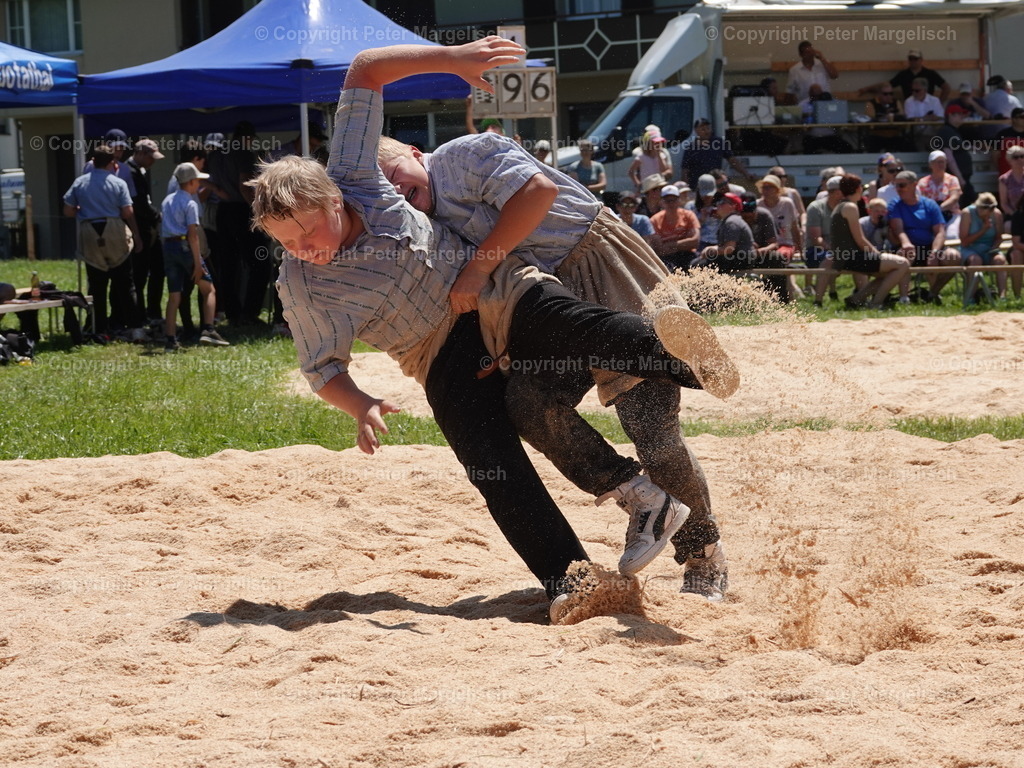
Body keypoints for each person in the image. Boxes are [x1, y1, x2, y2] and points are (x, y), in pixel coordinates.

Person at [261, 38, 733, 619]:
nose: (302, 251)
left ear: (339, 196)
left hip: (540, 280)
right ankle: (580, 569)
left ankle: (688, 385)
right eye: (286, 243)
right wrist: (360, 403)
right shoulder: (308, 276)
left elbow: (368, 72)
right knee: (513, 427)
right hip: (453, 336)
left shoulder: (421, 165)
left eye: (307, 233)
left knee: (642, 416)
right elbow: (322, 366)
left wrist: (452, 61)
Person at [62, 144, 144, 339]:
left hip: (90, 230)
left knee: (96, 284)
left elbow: (68, 210)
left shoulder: (80, 182)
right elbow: (127, 212)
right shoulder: (117, 183)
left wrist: (82, 209)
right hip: (114, 230)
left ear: (93, 161)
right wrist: (135, 235)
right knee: (125, 282)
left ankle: (98, 327)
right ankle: (135, 328)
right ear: (112, 163)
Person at [160, 163, 229, 351]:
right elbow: (193, 234)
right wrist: (198, 263)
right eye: (197, 180)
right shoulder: (190, 203)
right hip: (185, 247)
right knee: (209, 289)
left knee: (174, 296)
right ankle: (208, 329)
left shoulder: (167, 201)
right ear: (191, 182)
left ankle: (170, 339)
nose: (199, 183)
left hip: (168, 247)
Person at [828, 174, 911, 308]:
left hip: (844, 256)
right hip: (850, 257)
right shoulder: (850, 207)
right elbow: (860, 239)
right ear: (858, 189)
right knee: (902, 264)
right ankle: (876, 302)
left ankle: (857, 299)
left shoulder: (842, 206)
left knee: (891, 270)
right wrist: (876, 254)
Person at [888, 170, 960, 302]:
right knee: (905, 253)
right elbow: (898, 229)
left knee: (953, 256)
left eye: (902, 185)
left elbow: (940, 231)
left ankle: (933, 293)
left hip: (928, 246)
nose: (898, 189)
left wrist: (935, 252)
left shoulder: (930, 205)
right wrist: (906, 243)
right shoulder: (895, 204)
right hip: (908, 246)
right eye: (896, 185)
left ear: (914, 185)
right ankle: (904, 298)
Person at [125, 137, 166, 330]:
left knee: (158, 270)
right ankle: (140, 315)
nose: (153, 161)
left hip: (148, 227)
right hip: (140, 228)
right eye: (151, 157)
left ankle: (153, 312)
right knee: (140, 274)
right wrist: (157, 216)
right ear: (140, 154)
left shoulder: (139, 171)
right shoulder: (129, 172)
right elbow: (138, 204)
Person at [690, 193, 757, 274]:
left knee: (698, 265)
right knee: (697, 262)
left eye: (723, 202)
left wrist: (710, 250)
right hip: (737, 258)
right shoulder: (729, 220)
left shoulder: (731, 222)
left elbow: (729, 249)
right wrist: (712, 249)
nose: (718, 204)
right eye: (719, 202)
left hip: (742, 260)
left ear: (733, 206)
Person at [740, 192, 788, 301]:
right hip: (741, 255)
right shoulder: (736, 218)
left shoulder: (764, 216)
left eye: (750, 212)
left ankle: (781, 298)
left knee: (777, 258)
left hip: (761, 255)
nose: (747, 216)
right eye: (744, 213)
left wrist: (760, 251)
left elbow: (774, 244)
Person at [958, 192, 1007, 300]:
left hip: (989, 249)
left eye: (990, 212)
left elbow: (999, 237)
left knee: (1000, 260)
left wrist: (995, 246)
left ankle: (1003, 297)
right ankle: (970, 297)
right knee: (976, 261)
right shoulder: (967, 213)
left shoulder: (997, 214)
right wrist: (983, 230)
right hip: (970, 249)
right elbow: (964, 241)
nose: (987, 215)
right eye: (984, 212)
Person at [680, 118, 754, 186]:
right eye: (703, 129)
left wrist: (746, 173)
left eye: (708, 128)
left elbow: (732, 160)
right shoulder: (690, 148)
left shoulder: (718, 143)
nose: (706, 131)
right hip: (698, 186)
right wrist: (686, 188)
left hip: (717, 185)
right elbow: (685, 171)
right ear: (696, 131)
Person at [860, 50, 949, 103]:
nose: (913, 61)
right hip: (910, 104)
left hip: (927, 105)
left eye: (915, 59)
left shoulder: (930, 73)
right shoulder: (903, 74)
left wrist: (939, 103)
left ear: (921, 60)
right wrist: (867, 89)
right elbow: (887, 85)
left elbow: (946, 88)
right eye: (911, 59)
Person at [809, 175, 845, 305]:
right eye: (845, 190)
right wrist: (835, 249)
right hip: (815, 250)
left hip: (839, 250)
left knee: (861, 257)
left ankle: (860, 299)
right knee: (830, 259)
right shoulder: (816, 208)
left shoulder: (846, 207)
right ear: (836, 192)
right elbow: (816, 239)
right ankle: (818, 301)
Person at [650, 184, 700, 271]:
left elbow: (695, 241)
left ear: (679, 200)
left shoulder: (689, 215)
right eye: (667, 200)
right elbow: (659, 249)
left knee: (701, 265)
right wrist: (685, 243)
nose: (671, 203)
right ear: (661, 202)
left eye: (674, 200)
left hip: (688, 254)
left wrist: (671, 245)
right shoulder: (655, 220)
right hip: (667, 258)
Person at [918, 149, 962, 239]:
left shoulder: (952, 179)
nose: (941, 164)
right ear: (930, 164)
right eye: (937, 162)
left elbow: (954, 198)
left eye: (943, 162)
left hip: (951, 214)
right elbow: (921, 201)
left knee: (951, 236)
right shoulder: (923, 182)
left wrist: (938, 209)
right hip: (930, 216)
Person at [992, 107, 1024, 177]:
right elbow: (995, 154)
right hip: (1007, 173)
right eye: (1022, 117)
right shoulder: (1002, 134)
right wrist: (1000, 169)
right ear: (1014, 119)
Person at [998, 145, 1024, 221]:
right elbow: (1004, 204)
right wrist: (1015, 216)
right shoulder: (1004, 179)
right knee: (1008, 227)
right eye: (1016, 157)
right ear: (1009, 160)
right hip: (1014, 215)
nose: (1020, 159)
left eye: (1022, 156)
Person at [1009, 195, 1024, 300]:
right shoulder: (1018, 216)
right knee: (1016, 254)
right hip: (1021, 249)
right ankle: (1017, 296)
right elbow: (1016, 243)